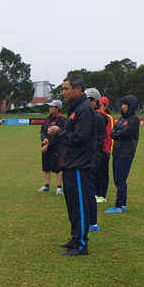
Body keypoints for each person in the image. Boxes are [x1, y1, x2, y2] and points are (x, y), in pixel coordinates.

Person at [47, 76, 96, 256]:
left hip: (78, 164)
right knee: (73, 204)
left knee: (80, 204)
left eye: (67, 89)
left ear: (78, 89)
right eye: (63, 88)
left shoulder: (84, 109)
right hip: (71, 163)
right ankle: (76, 238)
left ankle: (81, 245)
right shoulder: (75, 109)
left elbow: (79, 138)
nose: (64, 92)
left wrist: (59, 132)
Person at [106, 95, 140, 213]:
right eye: (122, 104)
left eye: (125, 104)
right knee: (117, 178)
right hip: (117, 152)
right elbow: (112, 132)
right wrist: (117, 133)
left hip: (127, 153)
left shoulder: (134, 120)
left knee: (120, 179)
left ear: (131, 106)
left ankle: (119, 205)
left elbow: (125, 133)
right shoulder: (121, 119)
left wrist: (117, 133)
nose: (123, 107)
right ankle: (123, 203)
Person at [84, 88, 106, 232]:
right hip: (91, 157)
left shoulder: (97, 117)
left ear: (93, 101)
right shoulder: (93, 115)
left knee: (90, 191)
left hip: (91, 158)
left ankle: (93, 222)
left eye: (87, 100)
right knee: (88, 190)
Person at [38, 100, 65, 195]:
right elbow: (42, 130)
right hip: (46, 146)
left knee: (57, 168)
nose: (50, 108)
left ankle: (59, 187)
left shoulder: (61, 120)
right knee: (46, 167)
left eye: (52, 106)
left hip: (55, 147)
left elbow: (59, 135)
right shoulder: (48, 119)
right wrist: (44, 138)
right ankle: (46, 185)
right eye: (49, 106)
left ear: (57, 108)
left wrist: (48, 144)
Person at [94, 97, 114, 203]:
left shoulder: (108, 118)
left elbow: (109, 135)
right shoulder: (97, 116)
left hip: (104, 150)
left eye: (102, 105)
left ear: (106, 106)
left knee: (103, 173)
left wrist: (106, 150)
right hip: (96, 150)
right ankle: (96, 194)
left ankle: (103, 195)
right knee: (96, 172)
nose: (100, 106)